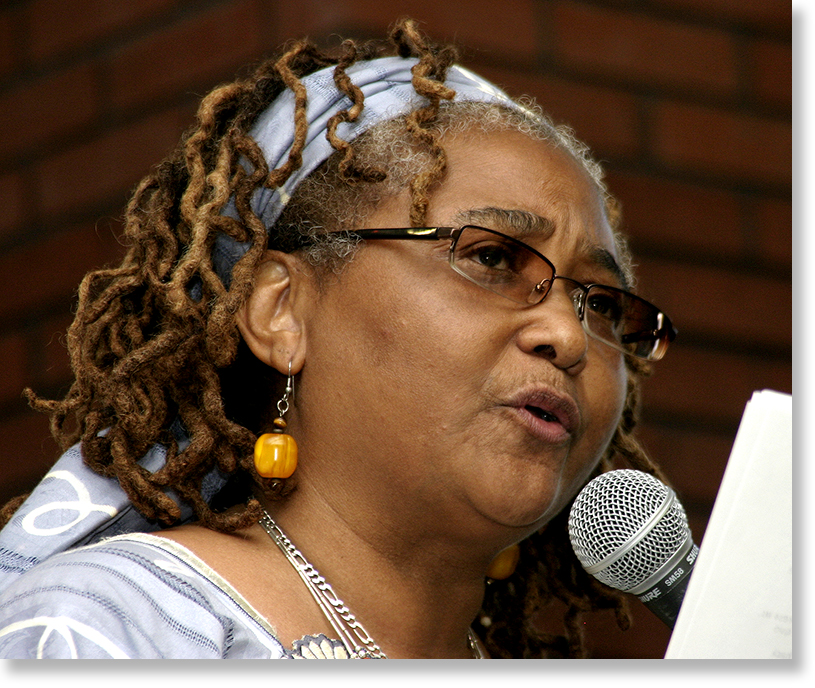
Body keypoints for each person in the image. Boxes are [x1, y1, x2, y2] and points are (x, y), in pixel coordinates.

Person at [0, 19, 676, 659]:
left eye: (601, 303)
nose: (566, 334)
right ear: (281, 312)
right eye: (493, 260)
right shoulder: (109, 628)